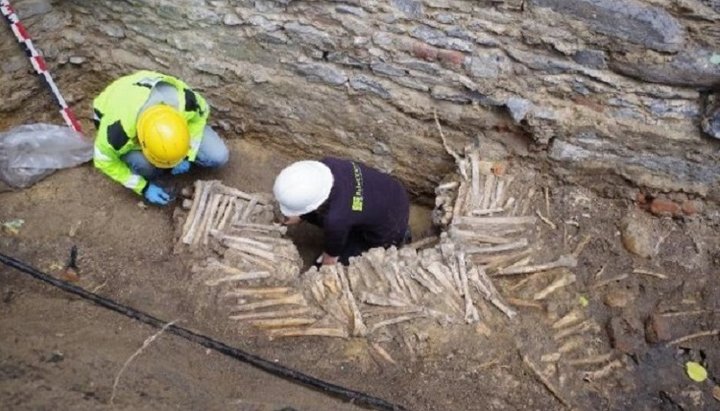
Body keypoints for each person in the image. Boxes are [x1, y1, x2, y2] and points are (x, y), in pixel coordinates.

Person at [92, 70, 229, 205]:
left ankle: (166, 159)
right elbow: (103, 160)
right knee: (144, 165)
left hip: (147, 95)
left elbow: (200, 117)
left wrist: (188, 153)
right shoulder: (117, 134)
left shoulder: (186, 102)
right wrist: (143, 187)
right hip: (114, 107)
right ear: (141, 142)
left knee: (218, 155)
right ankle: (153, 172)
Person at [273, 158, 411, 266]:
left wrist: (328, 262)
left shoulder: (336, 219)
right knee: (331, 217)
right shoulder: (327, 165)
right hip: (393, 193)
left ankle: (398, 239)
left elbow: (331, 256)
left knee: (323, 266)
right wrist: (301, 213)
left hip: (390, 226)